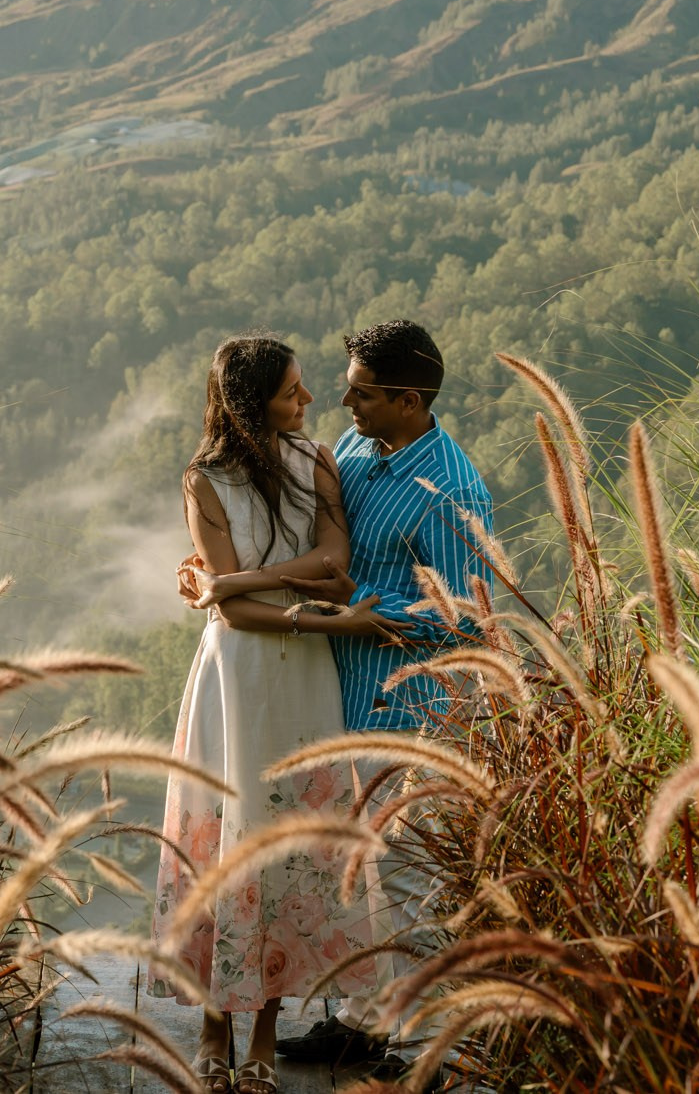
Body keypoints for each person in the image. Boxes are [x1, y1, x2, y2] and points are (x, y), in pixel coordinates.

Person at [150, 336, 404, 1094]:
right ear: (250, 401)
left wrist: (238, 582)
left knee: (288, 848)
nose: (309, 401)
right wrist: (295, 609)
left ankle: (262, 1030)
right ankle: (213, 1026)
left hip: (302, 680)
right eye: (293, 391)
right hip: (236, 675)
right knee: (227, 841)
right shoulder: (203, 480)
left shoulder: (317, 460)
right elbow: (237, 615)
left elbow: (331, 560)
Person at [267, 319, 496, 1074]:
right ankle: (363, 1024)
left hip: (416, 712)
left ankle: (427, 1047)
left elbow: (467, 614)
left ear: (408, 400)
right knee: (361, 872)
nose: (345, 403)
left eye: (362, 393)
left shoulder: (451, 490)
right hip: (346, 696)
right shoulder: (360, 447)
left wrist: (362, 606)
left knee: (407, 876)